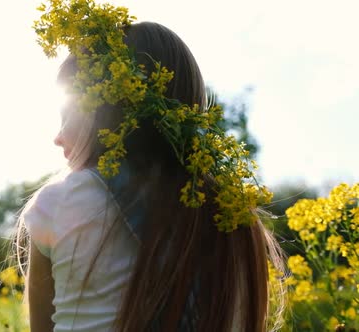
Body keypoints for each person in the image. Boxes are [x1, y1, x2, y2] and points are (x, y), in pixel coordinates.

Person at [14, 2, 284, 331]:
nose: (57, 137)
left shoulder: (61, 201)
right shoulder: (238, 222)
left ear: (107, 109)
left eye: (67, 115)